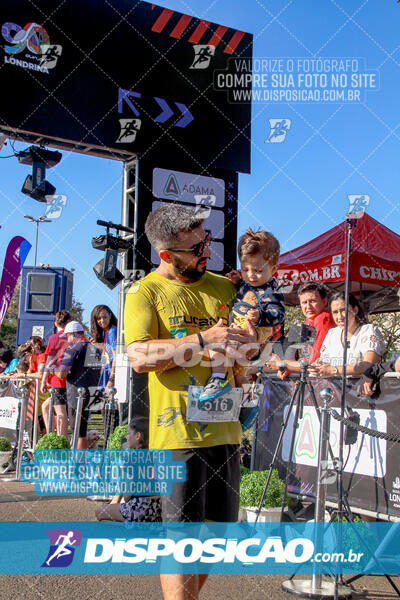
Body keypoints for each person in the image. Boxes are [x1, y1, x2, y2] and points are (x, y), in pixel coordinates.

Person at [124, 204, 257, 600]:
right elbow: (139, 357)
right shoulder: (145, 291)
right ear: (166, 254)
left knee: (218, 532)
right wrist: (202, 341)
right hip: (176, 434)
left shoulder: (224, 287)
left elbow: (255, 341)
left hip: (226, 426)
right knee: (182, 536)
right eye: (196, 247)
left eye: (207, 242)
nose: (207, 253)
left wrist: (252, 347)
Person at [199, 228, 285, 401]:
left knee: (217, 346)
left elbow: (279, 314)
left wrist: (260, 316)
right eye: (245, 269)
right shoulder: (246, 283)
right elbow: (245, 288)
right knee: (240, 370)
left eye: (258, 271)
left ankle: (218, 379)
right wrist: (238, 281)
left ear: (273, 269)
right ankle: (246, 403)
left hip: (255, 329)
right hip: (241, 326)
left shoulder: (270, 290)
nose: (251, 275)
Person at [95, 417, 161, 523]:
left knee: (99, 511)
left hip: (139, 509)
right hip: (160, 508)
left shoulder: (131, 459)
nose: (126, 437)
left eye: (129, 434)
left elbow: (127, 496)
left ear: (138, 436)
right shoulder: (159, 455)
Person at [265, 281, 335, 376]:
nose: (308, 307)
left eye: (312, 301)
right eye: (304, 302)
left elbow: (313, 360)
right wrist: (289, 368)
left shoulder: (324, 318)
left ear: (324, 301)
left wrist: (285, 365)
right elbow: (305, 357)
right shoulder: (308, 321)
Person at [308, 292, 385, 377]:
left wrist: (333, 370)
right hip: (334, 388)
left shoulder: (368, 331)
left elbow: (369, 365)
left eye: (343, 310)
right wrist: (316, 366)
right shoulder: (332, 334)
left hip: (361, 388)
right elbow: (324, 361)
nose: (340, 317)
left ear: (355, 310)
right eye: (335, 312)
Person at [55, 321, 102, 449]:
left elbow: (61, 373)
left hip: (78, 395)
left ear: (73, 334)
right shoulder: (96, 348)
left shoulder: (72, 349)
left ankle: (78, 465)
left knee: (79, 433)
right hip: (94, 393)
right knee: (84, 429)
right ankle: (84, 463)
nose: (66, 339)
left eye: (67, 336)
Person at [41, 310, 71, 437]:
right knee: (46, 407)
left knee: (60, 411)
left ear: (55, 323)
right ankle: (52, 436)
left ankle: (61, 440)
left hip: (58, 381)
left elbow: (49, 360)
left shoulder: (54, 338)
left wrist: (43, 380)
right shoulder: (75, 337)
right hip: (71, 379)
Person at [90, 305, 117, 391]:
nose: (102, 321)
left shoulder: (112, 331)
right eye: (99, 318)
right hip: (107, 370)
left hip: (112, 372)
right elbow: (106, 352)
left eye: (104, 317)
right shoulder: (105, 332)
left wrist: (111, 379)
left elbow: (116, 356)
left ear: (110, 315)